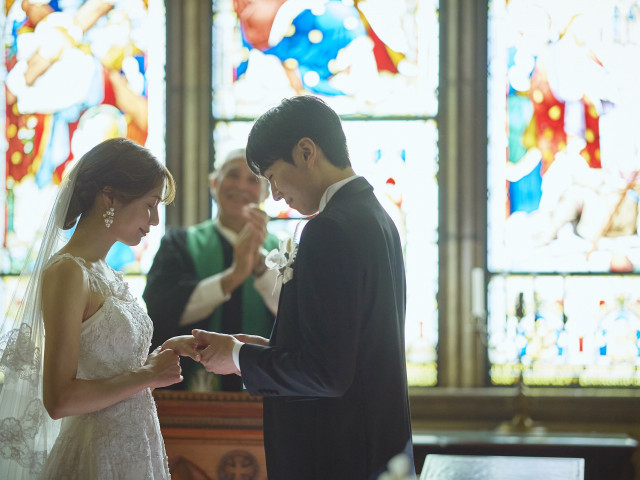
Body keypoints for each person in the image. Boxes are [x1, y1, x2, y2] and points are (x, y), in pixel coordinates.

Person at [191, 95, 415, 479]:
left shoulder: (329, 229)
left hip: (334, 455)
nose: (274, 194)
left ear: (307, 151)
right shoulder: (375, 217)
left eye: (272, 175)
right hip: (373, 446)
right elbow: (348, 347)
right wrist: (261, 349)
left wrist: (239, 358)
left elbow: (327, 374)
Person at [0, 137, 199, 479]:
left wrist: (160, 355)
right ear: (109, 196)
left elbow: (113, 366)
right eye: (149, 205)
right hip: (96, 455)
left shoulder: (106, 273)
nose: (153, 221)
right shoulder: (67, 272)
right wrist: (148, 375)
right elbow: (60, 399)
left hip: (137, 444)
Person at [143, 148, 281, 392]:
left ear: (266, 192)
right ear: (213, 183)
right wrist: (234, 276)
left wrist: (259, 266)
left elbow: (294, 315)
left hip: (263, 394)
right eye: (232, 175)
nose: (241, 186)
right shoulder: (180, 244)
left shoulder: (281, 252)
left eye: (252, 179)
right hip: (191, 392)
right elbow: (162, 310)